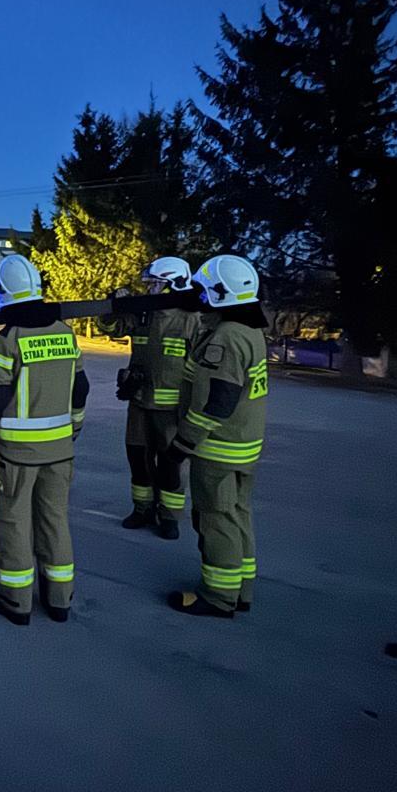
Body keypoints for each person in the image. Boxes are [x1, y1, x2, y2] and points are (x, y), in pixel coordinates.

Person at [0, 254, 89, 626]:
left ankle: (16, 600)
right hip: (61, 451)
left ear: (3, 293)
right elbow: (80, 387)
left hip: (18, 456)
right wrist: (75, 427)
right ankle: (59, 599)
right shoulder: (65, 332)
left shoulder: (9, 339)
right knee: (55, 520)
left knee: (14, 523)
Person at [165, 255, 270, 619]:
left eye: (203, 291)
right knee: (237, 514)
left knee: (214, 519)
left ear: (219, 294)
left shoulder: (226, 338)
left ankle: (218, 596)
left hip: (218, 449)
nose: (199, 296)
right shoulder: (251, 331)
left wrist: (182, 444)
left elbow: (216, 402)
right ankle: (242, 589)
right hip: (244, 445)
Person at [111, 256, 202, 537]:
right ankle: (142, 509)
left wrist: (192, 409)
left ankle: (169, 516)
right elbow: (112, 328)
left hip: (172, 411)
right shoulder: (143, 314)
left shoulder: (191, 320)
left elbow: (200, 370)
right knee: (138, 461)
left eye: (155, 284)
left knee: (171, 466)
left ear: (173, 284)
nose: (149, 289)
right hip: (139, 403)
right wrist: (115, 305)